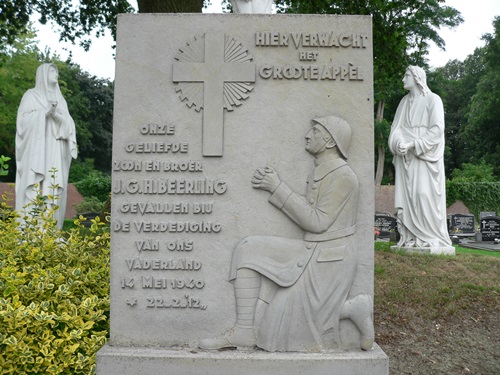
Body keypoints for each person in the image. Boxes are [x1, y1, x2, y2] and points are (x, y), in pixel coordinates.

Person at [199, 115, 373, 352]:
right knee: (247, 248)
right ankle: (242, 331)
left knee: (278, 330)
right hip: (313, 249)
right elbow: (311, 213)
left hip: (330, 259)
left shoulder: (344, 177)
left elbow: (318, 221)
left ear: (330, 141)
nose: (307, 134)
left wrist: (277, 187)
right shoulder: (321, 171)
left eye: (316, 131)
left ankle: (353, 308)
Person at [388, 66, 451, 248]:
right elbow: (396, 128)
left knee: (423, 194)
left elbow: (437, 130)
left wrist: (413, 144)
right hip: (406, 159)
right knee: (409, 199)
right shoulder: (403, 103)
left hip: (425, 157)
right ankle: (410, 239)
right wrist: (399, 143)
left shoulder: (433, 100)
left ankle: (429, 237)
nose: (403, 79)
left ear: (416, 78)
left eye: (406, 75)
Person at [16, 63, 78, 228]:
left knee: (53, 184)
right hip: (38, 151)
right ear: (43, 74)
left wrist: (56, 114)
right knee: (37, 185)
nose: (55, 74)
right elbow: (22, 123)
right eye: (52, 70)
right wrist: (44, 112)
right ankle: (32, 228)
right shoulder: (31, 95)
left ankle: (50, 228)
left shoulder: (61, 100)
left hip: (55, 150)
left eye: (56, 71)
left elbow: (69, 126)